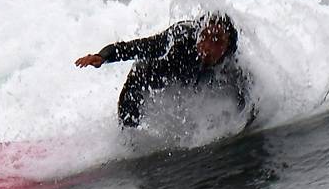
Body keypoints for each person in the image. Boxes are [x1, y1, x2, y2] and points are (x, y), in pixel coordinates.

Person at [75, 11, 252, 128]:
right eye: (204, 37)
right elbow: (137, 47)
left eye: (217, 41)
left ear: (228, 46)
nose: (208, 46)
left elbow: (248, 93)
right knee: (130, 119)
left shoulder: (230, 61)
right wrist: (103, 57)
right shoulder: (179, 41)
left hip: (187, 80)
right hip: (146, 78)